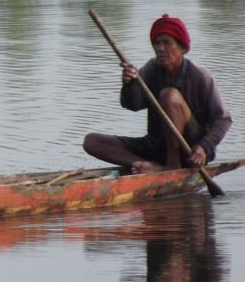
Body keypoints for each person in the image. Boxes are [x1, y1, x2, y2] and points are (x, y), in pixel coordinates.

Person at [84, 14, 232, 174]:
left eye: (167, 43)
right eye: (156, 43)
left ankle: (172, 167)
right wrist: (129, 83)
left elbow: (223, 119)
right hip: (157, 145)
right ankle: (145, 165)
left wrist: (204, 147)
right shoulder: (151, 68)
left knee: (169, 95)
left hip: (189, 151)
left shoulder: (200, 76)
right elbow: (132, 105)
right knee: (91, 141)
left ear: (182, 48)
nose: (160, 48)